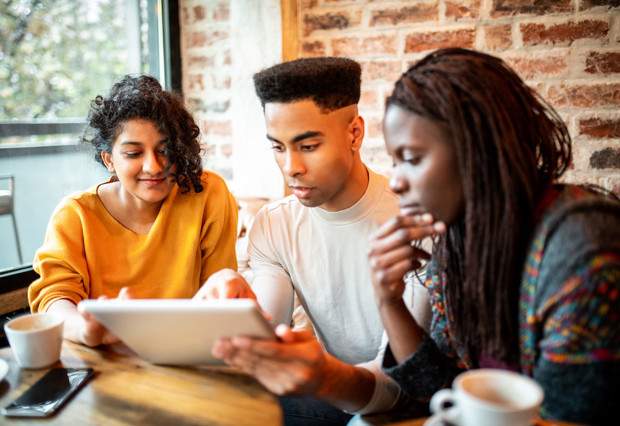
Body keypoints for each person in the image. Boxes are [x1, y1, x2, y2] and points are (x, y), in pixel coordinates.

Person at [368, 47, 620, 424]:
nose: (397, 182)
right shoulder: (459, 243)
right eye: (394, 160)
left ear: (477, 149)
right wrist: (388, 301)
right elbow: (440, 389)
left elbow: (570, 416)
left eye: (413, 158)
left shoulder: (582, 251)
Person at [194, 57, 432, 424]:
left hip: (404, 401)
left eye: (307, 146)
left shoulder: (415, 221)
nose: (291, 167)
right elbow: (270, 335)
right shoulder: (274, 225)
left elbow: (407, 380)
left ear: (354, 133)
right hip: (328, 391)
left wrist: (324, 376)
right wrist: (232, 306)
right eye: (277, 147)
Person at [29, 75, 239, 347]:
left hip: (188, 348)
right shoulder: (75, 215)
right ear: (109, 160)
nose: (153, 166)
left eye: (165, 150)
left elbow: (219, 289)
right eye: (133, 153)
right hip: (105, 356)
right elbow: (54, 296)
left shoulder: (207, 194)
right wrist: (87, 330)